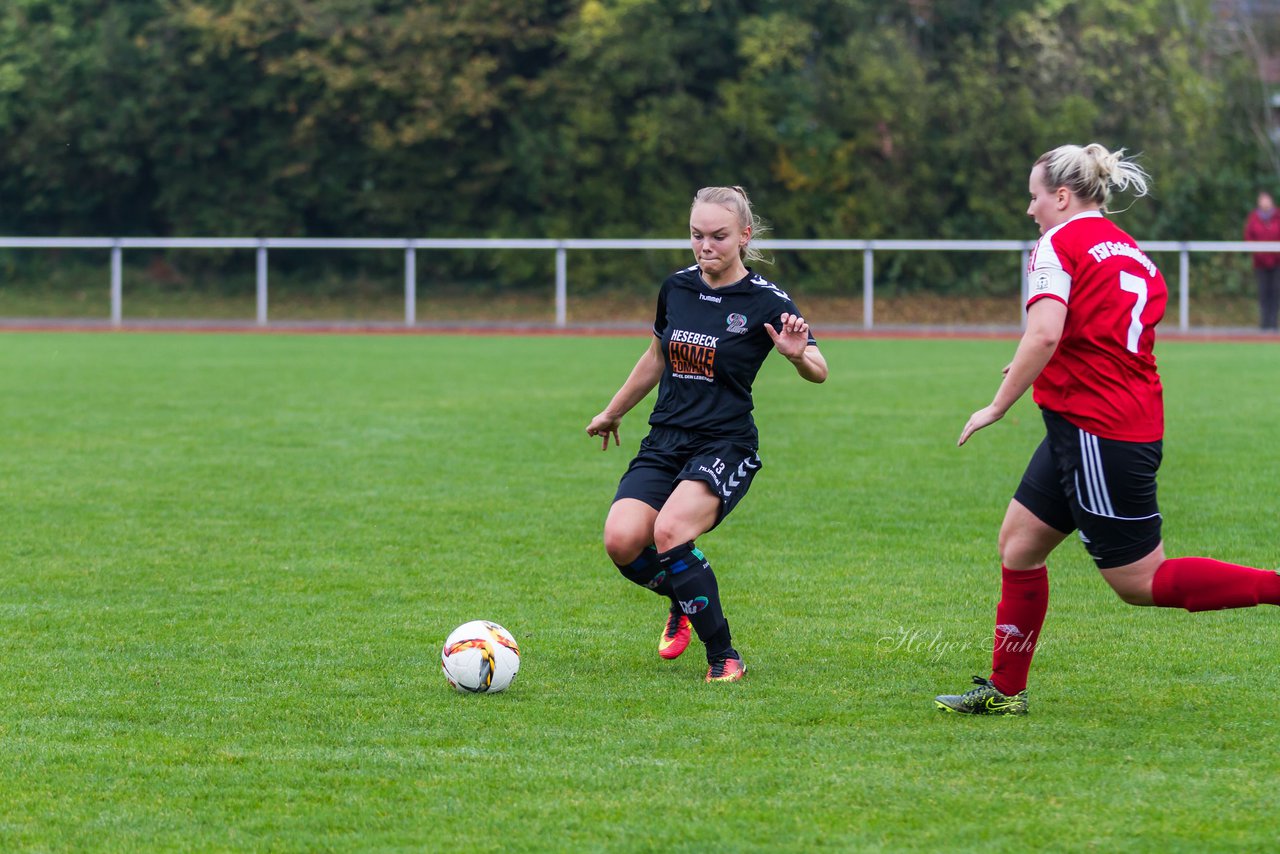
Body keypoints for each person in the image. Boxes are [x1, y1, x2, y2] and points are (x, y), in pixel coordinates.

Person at [935, 143, 1280, 715]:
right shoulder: (1130, 250)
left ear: (1063, 197)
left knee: (1139, 581)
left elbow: (1045, 333)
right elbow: (1092, 335)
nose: (1030, 209)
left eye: (1035, 196)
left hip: (1101, 430)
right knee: (1019, 546)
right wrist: (1051, 363)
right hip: (1088, 421)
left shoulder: (1058, 242)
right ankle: (1005, 692)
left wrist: (997, 405)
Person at [585, 186, 828, 683]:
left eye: (718, 236)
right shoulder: (676, 288)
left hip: (725, 443)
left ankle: (724, 657)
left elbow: (820, 370)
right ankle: (682, 595)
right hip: (666, 439)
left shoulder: (766, 300)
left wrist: (797, 353)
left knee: (670, 533)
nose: (705, 247)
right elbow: (656, 356)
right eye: (697, 236)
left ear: (744, 235)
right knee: (621, 540)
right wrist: (613, 412)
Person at [1243, 190, 1280, 331]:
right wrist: (1256, 250)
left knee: (1276, 293)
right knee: (1263, 293)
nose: (1264, 202)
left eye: (1267, 199)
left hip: (1277, 262)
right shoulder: (1254, 217)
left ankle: (1273, 323)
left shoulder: (1278, 216)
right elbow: (1248, 236)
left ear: (1271, 201)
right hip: (1260, 262)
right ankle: (1264, 324)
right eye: (1262, 200)